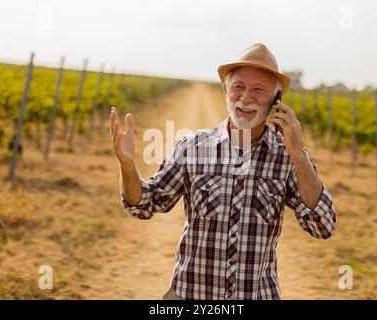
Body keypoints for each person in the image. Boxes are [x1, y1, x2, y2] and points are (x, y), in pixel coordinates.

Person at [110, 43, 336, 300]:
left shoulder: (289, 158)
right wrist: (127, 166)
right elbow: (145, 205)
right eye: (238, 87)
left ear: (277, 101)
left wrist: (298, 153)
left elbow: (323, 226)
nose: (246, 98)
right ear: (225, 91)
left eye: (259, 90)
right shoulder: (192, 147)